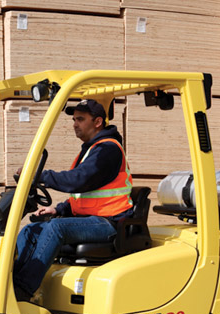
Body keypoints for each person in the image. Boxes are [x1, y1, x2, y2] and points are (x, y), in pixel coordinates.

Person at [13, 99, 134, 301]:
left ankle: (23, 290)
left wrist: (40, 175)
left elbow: (78, 181)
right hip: (92, 219)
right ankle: (12, 282)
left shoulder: (107, 150)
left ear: (97, 122)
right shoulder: (91, 149)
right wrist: (59, 209)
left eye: (80, 119)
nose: (74, 124)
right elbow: (87, 195)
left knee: (55, 228)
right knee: (30, 230)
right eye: (74, 119)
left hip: (110, 222)